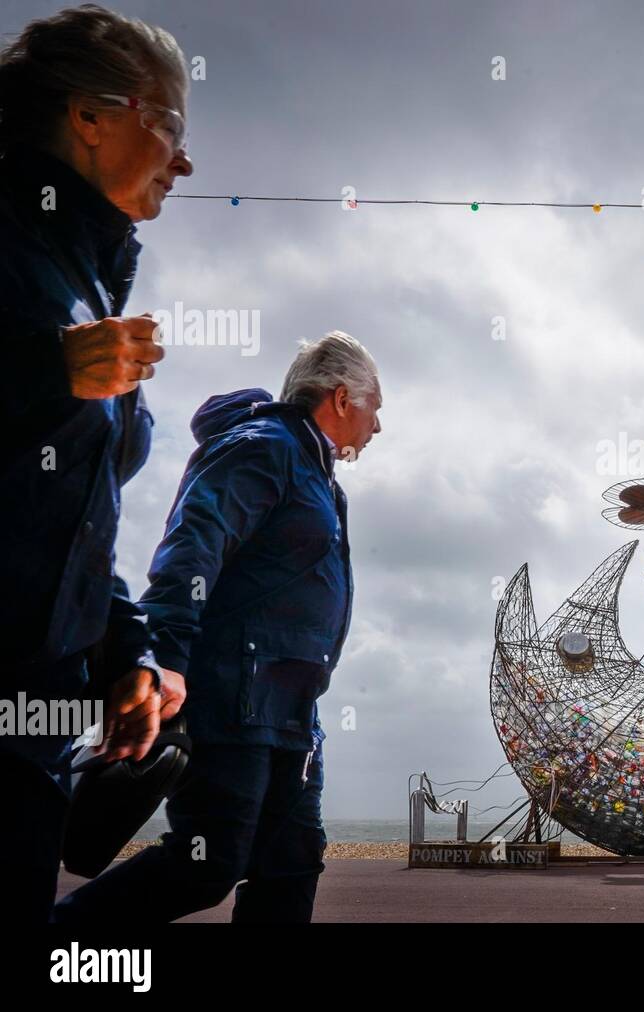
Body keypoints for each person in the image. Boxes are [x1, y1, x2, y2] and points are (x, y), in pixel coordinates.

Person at [55, 331, 382, 924]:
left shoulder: (319, 476)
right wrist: (168, 659)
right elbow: (192, 550)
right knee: (206, 865)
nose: (377, 426)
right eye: (374, 408)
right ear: (340, 398)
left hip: (292, 713)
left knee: (291, 865)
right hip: (233, 697)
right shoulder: (264, 447)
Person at [0, 4, 194, 923]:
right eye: (172, 125)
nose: (185, 161)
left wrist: (126, 655)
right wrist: (39, 371)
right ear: (90, 116)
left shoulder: (84, 274)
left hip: (39, 715)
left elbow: (69, 510)